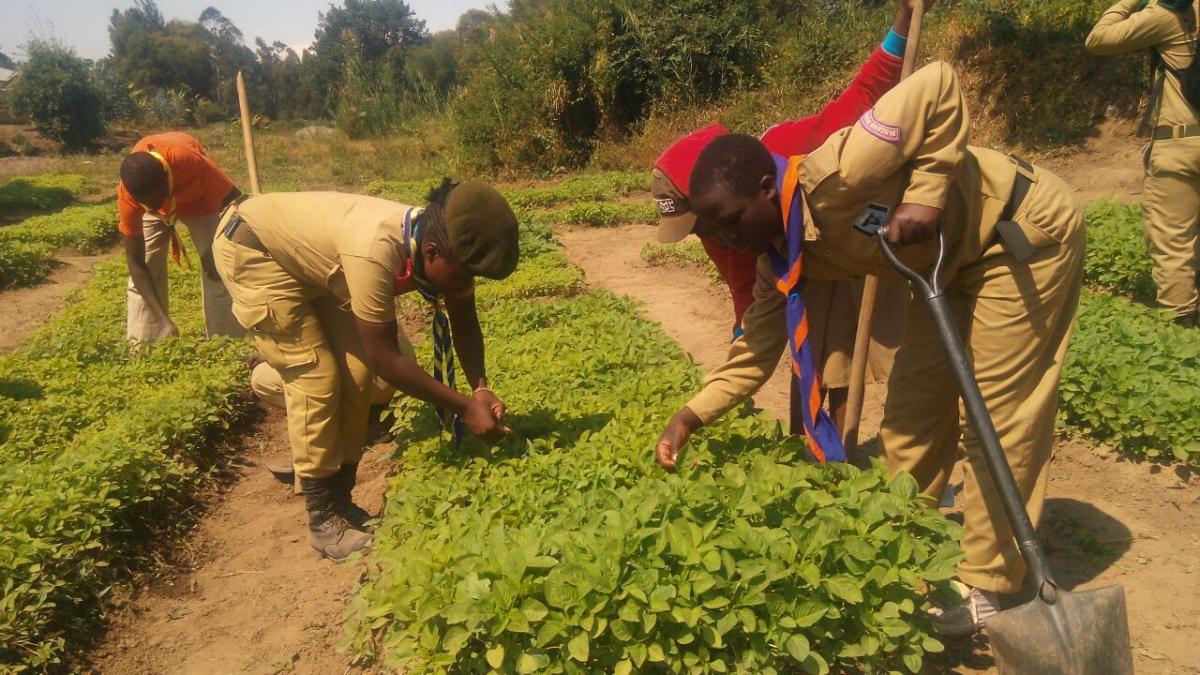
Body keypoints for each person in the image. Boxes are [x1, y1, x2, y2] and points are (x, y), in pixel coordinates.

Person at [654, 62, 1086, 639]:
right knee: (911, 412)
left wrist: (927, 195)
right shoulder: (776, 256)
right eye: (717, 233)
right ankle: (904, 548)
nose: (731, 240)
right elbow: (754, 350)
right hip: (944, 269)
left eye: (732, 222)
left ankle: (989, 582)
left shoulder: (842, 170)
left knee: (996, 417)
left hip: (1017, 231)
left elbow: (938, 84)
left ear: (765, 188)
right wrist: (689, 417)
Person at [650, 0, 930, 436]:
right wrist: (741, 344)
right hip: (794, 264)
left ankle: (842, 454)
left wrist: (904, 22)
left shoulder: (783, 149)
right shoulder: (717, 223)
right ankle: (810, 452)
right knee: (807, 351)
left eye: (705, 222)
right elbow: (743, 284)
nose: (709, 235)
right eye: (699, 227)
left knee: (840, 355)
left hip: (845, 245)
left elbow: (859, 100)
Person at [213, 180, 517, 560]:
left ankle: (341, 499)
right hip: (254, 251)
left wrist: (480, 389)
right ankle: (322, 518)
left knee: (356, 375)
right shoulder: (375, 252)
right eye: (464, 275)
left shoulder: (434, 240)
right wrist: (463, 408)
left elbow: (464, 319)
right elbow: (386, 360)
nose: (465, 284)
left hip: (311, 264)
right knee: (316, 377)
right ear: (432, 252)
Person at [1086, 0, 1200, 327]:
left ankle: (1180, 330)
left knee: (1173, 239)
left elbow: (1098, 38)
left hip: (1181, 145)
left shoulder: (1169, 14)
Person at [117, 132, 245, 341]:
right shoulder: (131, 196)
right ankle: (147, 344)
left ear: (166, 178)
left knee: (218, 267)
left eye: (157, 199)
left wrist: (215, 247)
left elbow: (235, 202)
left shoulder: (187, 160)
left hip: (199, 201)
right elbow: (136, 262)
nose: (157, 207)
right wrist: (164, 320)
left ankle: (226, 342)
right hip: (155, 194)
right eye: (147, 203)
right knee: (148, 265)